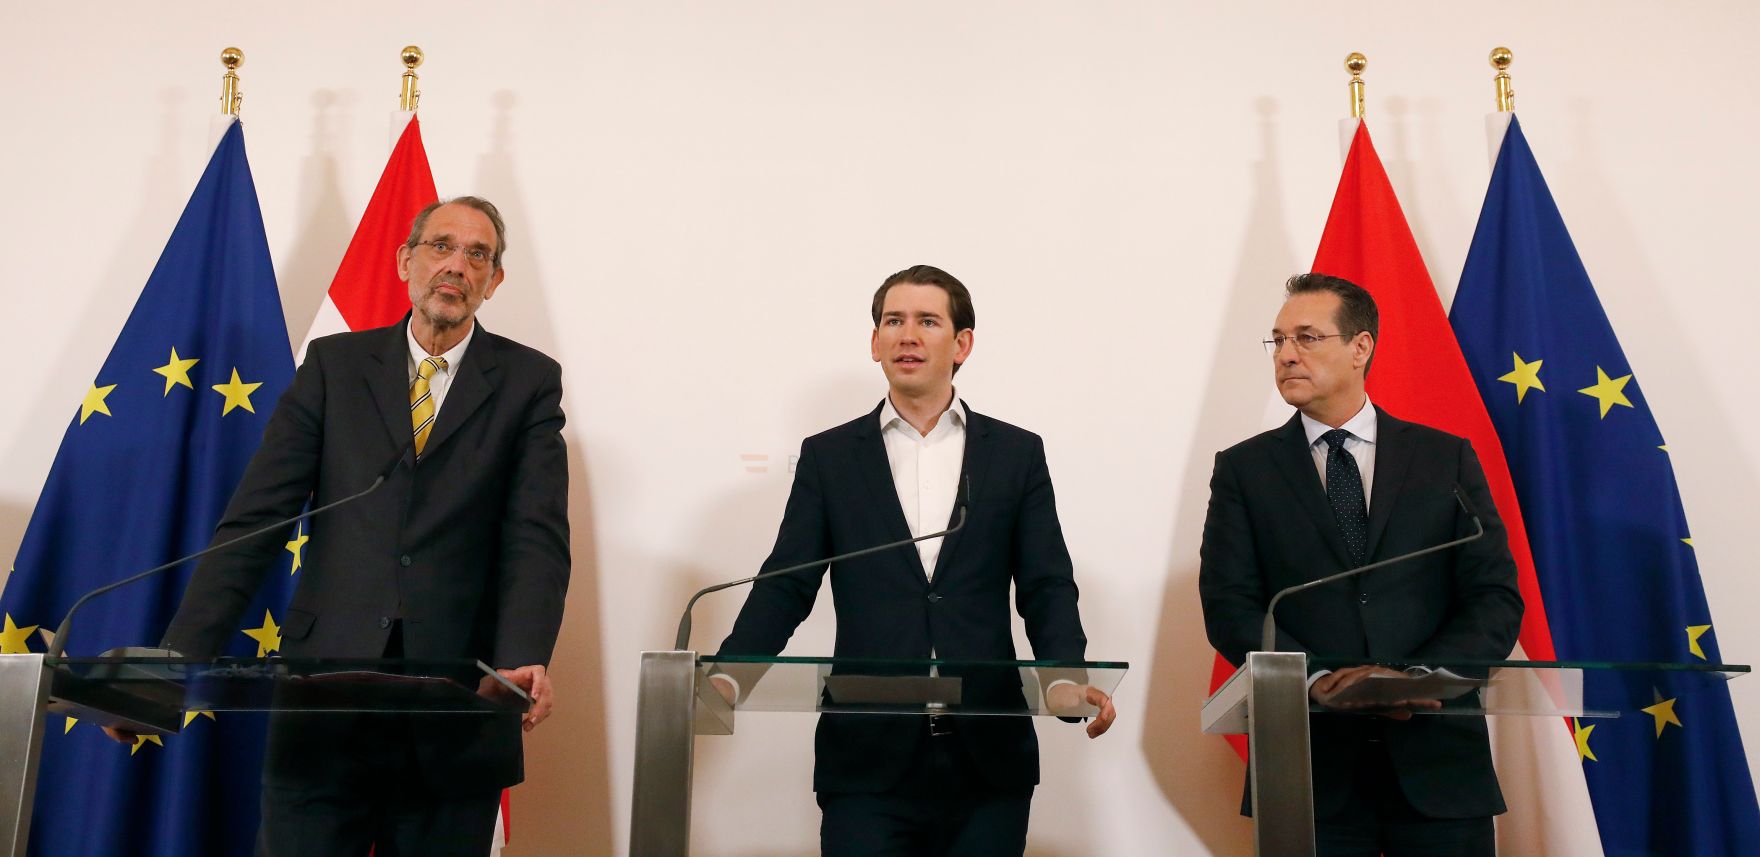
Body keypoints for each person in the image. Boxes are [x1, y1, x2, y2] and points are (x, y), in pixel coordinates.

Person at [137, 197, 570, 856]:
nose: (456, 265)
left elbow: (535, 535)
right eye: (441, 245)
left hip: (456, 704)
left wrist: (521, 656)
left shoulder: (528, 382)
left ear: (495, 281)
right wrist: (176, 658)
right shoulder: (333, 367)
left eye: (477, 254)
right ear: (405, 261)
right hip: (323, 705)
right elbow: (258, 521)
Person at [714, 264, 1115, 857]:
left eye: (928, 321)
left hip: (987, 757)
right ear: (874, 342)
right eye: (892, 321)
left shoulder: (1014, 454)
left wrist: (1064, 675)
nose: (908, 335)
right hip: (867, 759)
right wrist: (731, 671)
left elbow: (1046, 584)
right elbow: (787, 583)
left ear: (962, 344)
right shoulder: (830, 457)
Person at [1198, 273, 1523, 857]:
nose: (1287, 354)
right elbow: (1230, 606)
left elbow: (1494, 596)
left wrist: (1418, 679)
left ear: (1360, 347)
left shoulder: (1443, 458)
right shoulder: (1244, 471)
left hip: (1439, 771)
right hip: (1310, 773)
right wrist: (1321, 681)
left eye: (1306, 337)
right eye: (1277, 341)